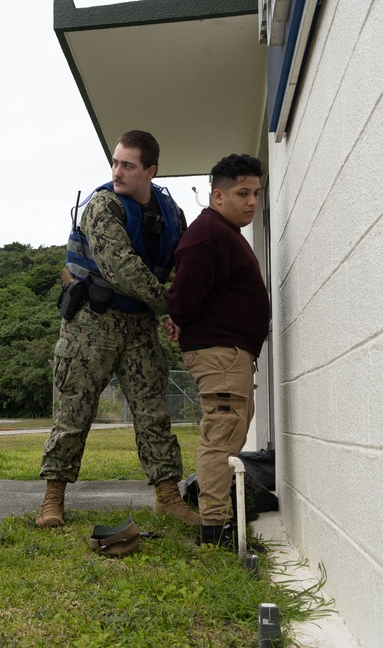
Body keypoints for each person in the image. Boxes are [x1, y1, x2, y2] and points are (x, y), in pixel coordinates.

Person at [36, 130, 199, 528]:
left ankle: (167, 497)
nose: (117, 172)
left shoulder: (171, 213)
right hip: (92, 323)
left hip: (139, 325)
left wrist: (176, 309)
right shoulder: (102, 207)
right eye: (114, 162)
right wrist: (173, 307)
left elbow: (183, 262)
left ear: (150, 171)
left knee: (153, 413)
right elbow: (120, 267)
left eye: (127, 165)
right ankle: (52, 500)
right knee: (73, 412)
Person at [164, 154, 270, 549]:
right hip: (219, 355)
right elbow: (183, 297)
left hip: (232, 354)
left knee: (230, 431)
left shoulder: (225, 233)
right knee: (221, 436)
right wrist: (178, 316)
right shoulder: (208, 235)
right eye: (243, 193)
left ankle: (221, 516)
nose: (252, 202)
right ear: (218, 195)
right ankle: (215, 528)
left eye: (257, 194)